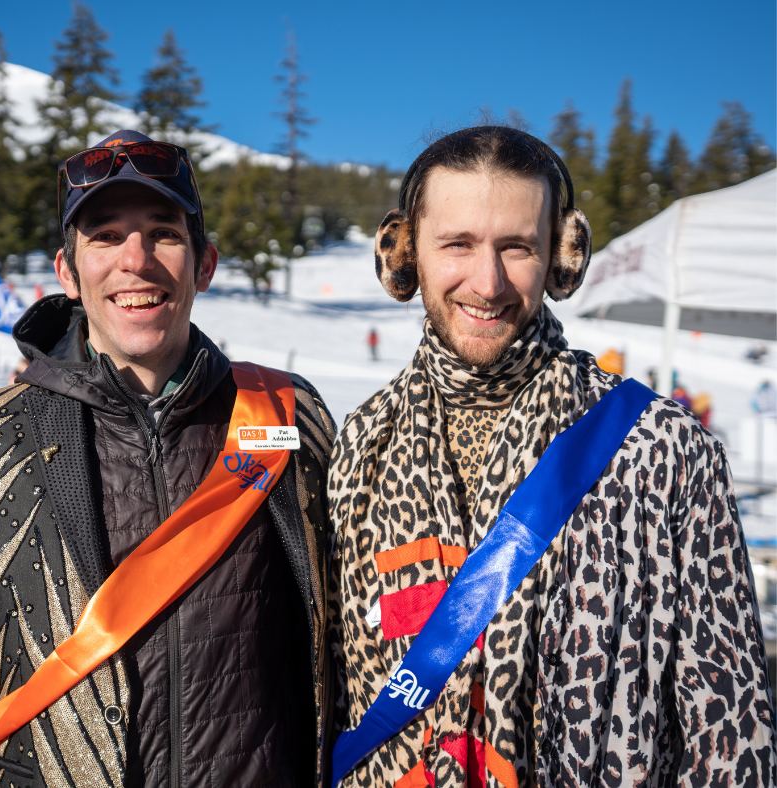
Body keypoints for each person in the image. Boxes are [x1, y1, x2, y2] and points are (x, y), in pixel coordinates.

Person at [0, 130, 336, 787]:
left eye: (163, 233)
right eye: (105, 236)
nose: (136, 260)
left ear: (204, 265)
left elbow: (343, 647)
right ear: (68, 273)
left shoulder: (287, 417)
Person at [327, 127, 775, 786]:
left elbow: (729, 734)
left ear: (563, 257)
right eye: (457, 244)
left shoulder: (664, 449)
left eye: (517, 247)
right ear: (402, 253)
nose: (487, 283)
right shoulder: (362, 444)